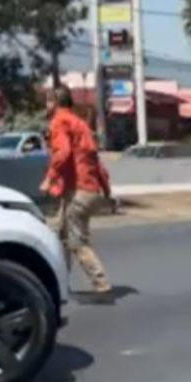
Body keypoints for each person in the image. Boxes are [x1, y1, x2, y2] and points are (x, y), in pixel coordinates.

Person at [40, 85, 114, 303]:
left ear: (55, 102)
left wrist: (49, 178)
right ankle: (59, 283)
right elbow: (95, 162)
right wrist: (106, 190)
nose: (46, 105)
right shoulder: (80, 124)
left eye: (48, 100)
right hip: (89, 190)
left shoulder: (60, 121)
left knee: (76, 242)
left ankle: (101, 284)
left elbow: (62, 152)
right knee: (62, 237)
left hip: (78, 191)